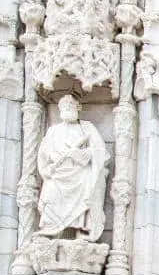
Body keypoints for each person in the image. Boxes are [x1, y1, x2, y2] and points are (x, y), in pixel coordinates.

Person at [36, 95, 108, 241]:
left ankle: (82, 228)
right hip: (58, 173)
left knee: (87, 180)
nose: (67, 107)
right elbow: (43, 155)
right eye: (64, 105)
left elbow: (101, 153)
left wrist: (80, 154)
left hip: (80, 172)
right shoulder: (53, 131)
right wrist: (46, 168)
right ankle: (50, 228)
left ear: (78, 108)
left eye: (71, 104)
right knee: (51, 189)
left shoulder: (87, 128)